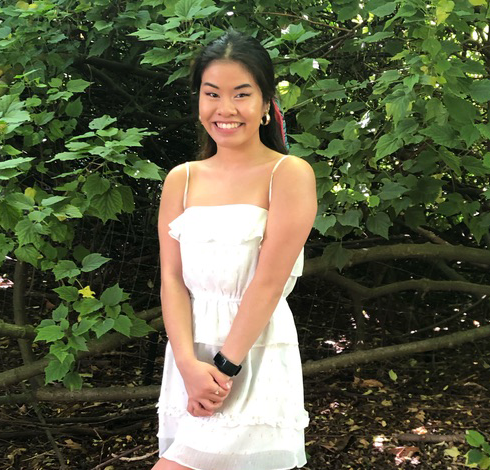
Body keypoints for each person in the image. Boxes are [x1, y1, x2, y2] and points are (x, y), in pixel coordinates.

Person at [153, 30, 317, 470]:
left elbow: (269, 283)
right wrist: (188, 365)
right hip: (189, 361)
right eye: (212, 94)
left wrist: (223, 370)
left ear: (265, 104)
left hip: (251, 359)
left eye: (241, 94)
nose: (225, 109)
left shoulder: (288, 174)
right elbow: (171, 279)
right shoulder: (181, 179)